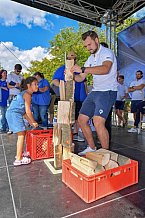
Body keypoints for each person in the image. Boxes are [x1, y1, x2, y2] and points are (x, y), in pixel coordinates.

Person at [71, 30, 117, 155]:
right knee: (81, 120)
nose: (87, 48)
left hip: (107, 91)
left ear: (96, 40)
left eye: (89, 45)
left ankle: (106, 154)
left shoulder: (107, 53)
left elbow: (105, 69)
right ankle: (92, 147)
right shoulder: (91, 57)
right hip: (95, 92)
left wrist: (83, 68)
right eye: (85, 46)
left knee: (98, 122)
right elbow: (81, 77)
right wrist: (71, 76)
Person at [52, 51, 88, 142]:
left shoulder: (79, 69)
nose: (71, 60)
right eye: (69, 58)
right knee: (68, 117)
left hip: (80, 97)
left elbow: (84, 82)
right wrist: (62, 85)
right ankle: (68, 135)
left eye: (74, 58)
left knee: (79, 117)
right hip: (67, 97)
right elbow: (55, 80)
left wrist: (86, 94)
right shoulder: (62, 69)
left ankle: (77, 134)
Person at [6, 77, 39, 166]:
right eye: (35, 84)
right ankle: (18, 159)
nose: (37, 86)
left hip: (13, 113)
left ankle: (20, 154)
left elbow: (24, 113)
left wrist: (31, 122)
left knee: (22, 133)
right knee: (21, 135)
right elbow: (28, 111)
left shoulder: (25, 94)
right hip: (14, 114)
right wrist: (33, 121)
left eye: (37, 84)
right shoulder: (27, 95)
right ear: (28, 85)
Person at [7, 63, 23, 134]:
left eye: (19, 71)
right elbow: (8, 85)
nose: (18, 72)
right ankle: (10, 128)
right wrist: (15, 85)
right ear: (14, 69)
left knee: (19, 112)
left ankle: (17, 128)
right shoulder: (10, 75)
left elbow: (22, 86)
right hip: (12, 95)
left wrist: (20, 86)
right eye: (17, 71)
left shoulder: (21, 76)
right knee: (11, 112)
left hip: (19, 95)